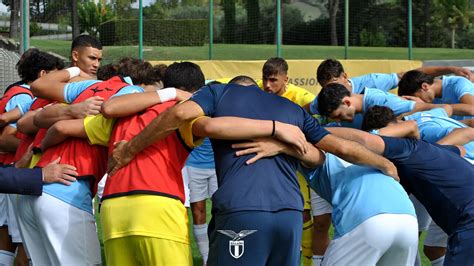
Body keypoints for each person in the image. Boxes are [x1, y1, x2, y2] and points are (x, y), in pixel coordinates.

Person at [107, 78, 398, 265]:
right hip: (290, 216)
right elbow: (340, 148)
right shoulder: (292, 109)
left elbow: (181, 113)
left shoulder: (217, 93)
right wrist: (384, 163)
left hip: (243, 209)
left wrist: (130, 149)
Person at [326, 127, 474, 266]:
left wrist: (314, 130)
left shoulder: (407, 148)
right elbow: (460, 149)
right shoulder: (431, 151)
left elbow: (365, 140)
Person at [361, 105, 474, 265]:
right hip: (462, 211)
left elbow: (463, 137)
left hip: (468, 216)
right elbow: (459, 149)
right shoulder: (415, 155)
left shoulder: (410, 146)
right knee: (432, 247)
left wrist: (430, 152)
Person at [316, 83, 444, 129]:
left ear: (347, 102)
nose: (338, 121)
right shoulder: (348, 117)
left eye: (338, 116)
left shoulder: (382, 102)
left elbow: (432, 109)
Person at [397, 70, 474, 120]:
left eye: (417, 98)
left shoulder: (458, 83)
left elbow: (471, 109)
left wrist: (426, 106)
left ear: (425, 87)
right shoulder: (430, 98)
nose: (419, 102)